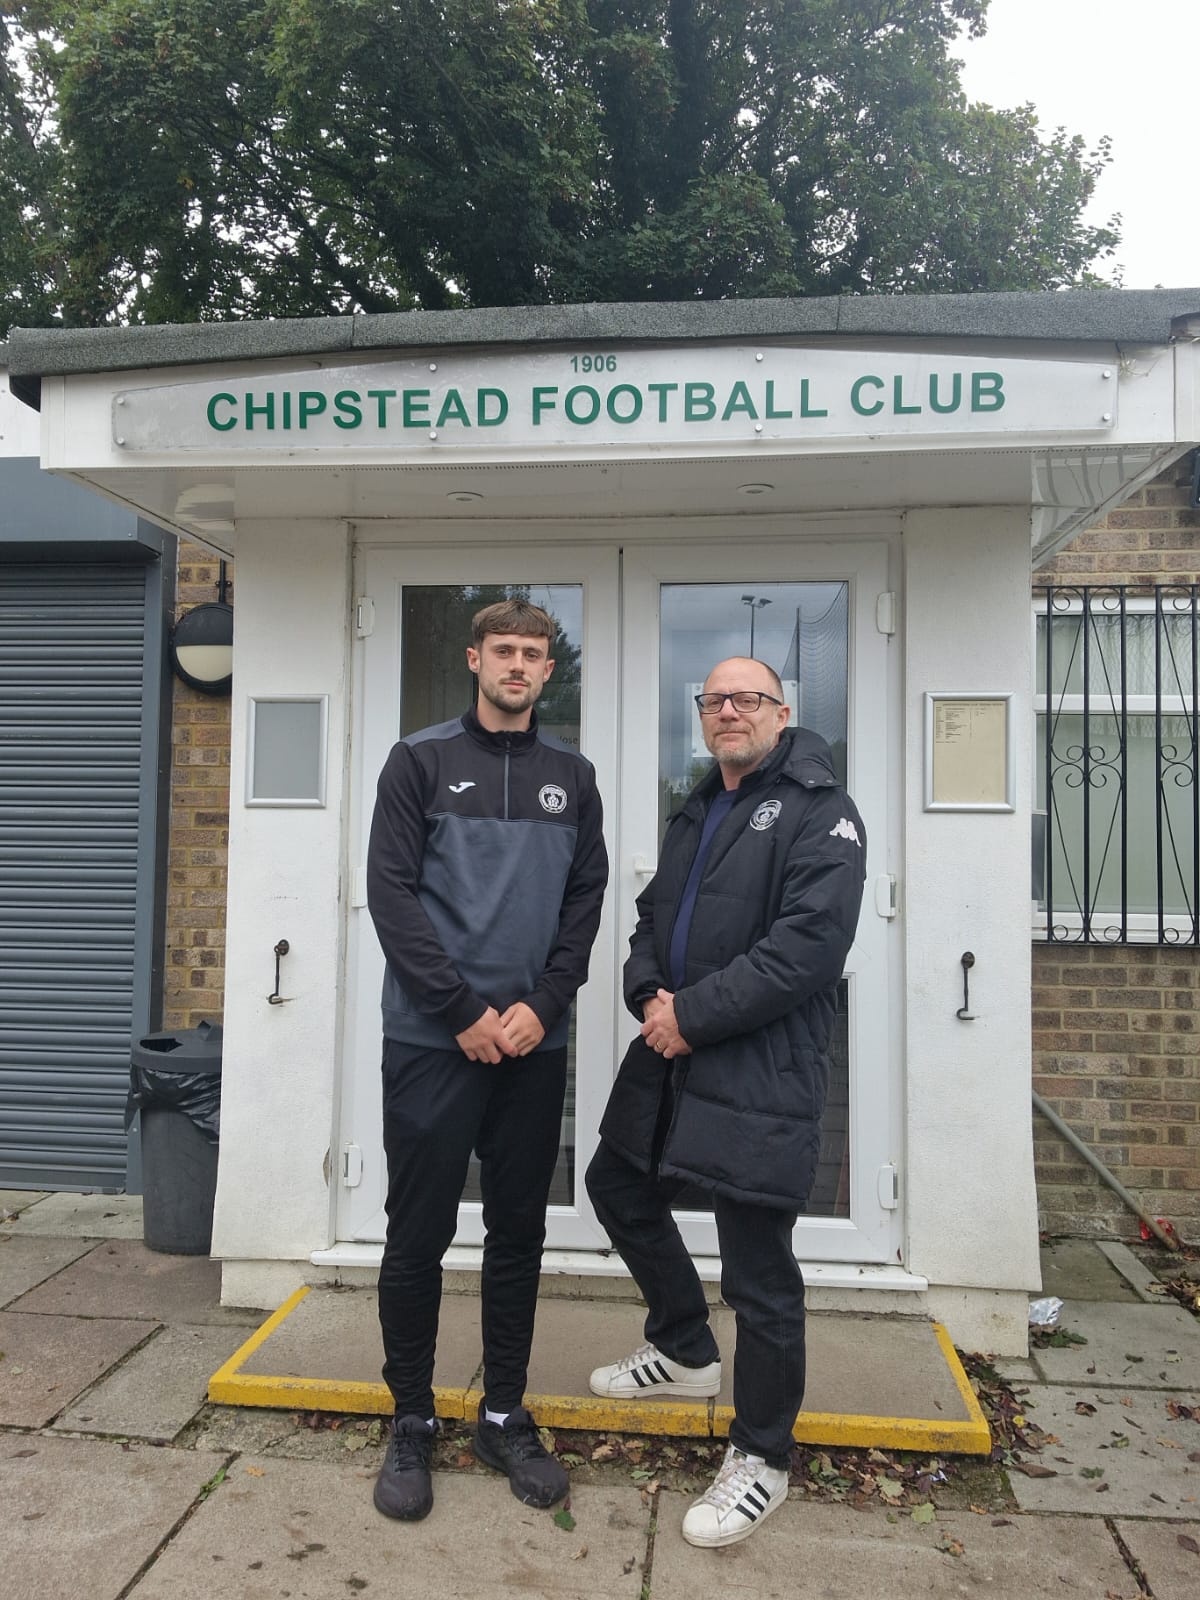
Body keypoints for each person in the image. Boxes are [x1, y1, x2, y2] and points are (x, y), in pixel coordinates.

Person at [585, 656, 866, 1549]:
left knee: (758, 1271)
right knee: (615, 1185)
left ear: (782, 712)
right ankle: (683, 1347)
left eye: (748, 699)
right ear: (702, 717)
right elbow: (650, 917)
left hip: (758, 1067)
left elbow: (806, 951)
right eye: (714, 701)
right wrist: (647, 997)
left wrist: (689, 1017)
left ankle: (763, 1456)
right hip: (673, 1050)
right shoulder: (697, 805)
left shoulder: (824, 810)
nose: (729, 712)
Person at [366, 599, 608, 1522]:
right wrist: (461, 1010)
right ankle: (414, 1420)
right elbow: (390, 896)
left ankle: (502, 1414)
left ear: (549, 670)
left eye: (533, 654)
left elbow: (585, 904)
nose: (517, 665)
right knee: (416, 1236)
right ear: (474, 660)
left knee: (518, 1235)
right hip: (433, 1045)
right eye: (502, 650)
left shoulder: (571, 776)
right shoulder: (419, 761)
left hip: (529, 1048)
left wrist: (542, 1007)